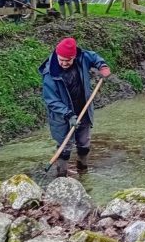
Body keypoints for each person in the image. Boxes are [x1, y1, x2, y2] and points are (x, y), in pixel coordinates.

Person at [39, 37, 111, 177]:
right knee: (64, 148)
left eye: (68, 60)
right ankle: (61, 175)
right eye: (62, 60)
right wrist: (69, 115)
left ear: (74, 57)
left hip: (83, 109)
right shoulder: (50, 73)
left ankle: (83, 172)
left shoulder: (82, 57)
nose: (64, 63)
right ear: (57, 55)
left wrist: (102, 66)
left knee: (84, 144)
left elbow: (93, 57)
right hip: (62, 116)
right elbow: (51, 101)